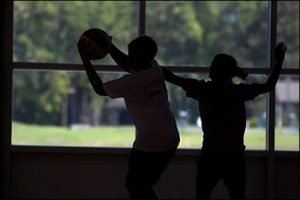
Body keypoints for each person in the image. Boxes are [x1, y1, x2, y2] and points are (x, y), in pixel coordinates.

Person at [162, 42, 287, 200]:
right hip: (234, 156)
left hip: (210, 154)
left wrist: (150, 64)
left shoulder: (204, 90)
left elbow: (172, 78)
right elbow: (269, 85)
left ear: (213, 71)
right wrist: (279, 62)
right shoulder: (238, 92)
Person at [77, 34, 180, 200]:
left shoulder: (134, 81)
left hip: (151, 143)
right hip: (169, 138)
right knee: (141, 185)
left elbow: (99, 88)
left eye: (132, 54)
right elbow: (127, 63)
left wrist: (85, 59)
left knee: (136, 186)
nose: (128, 57)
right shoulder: (153, 67)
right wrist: (110, 48)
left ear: (139, 57)